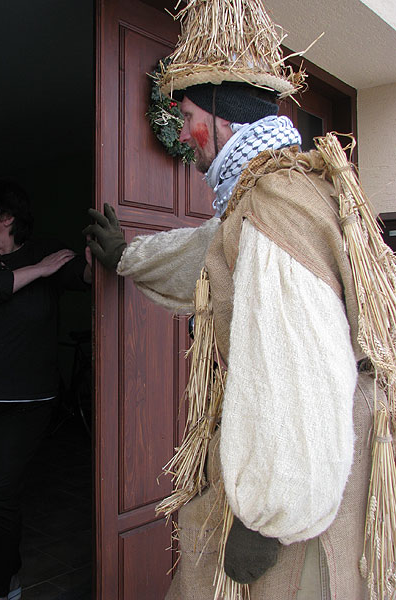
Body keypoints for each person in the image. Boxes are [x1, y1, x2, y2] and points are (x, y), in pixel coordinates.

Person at [85, 1, 390, 599]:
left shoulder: (273, 206)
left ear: (222, 118)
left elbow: (300, 374)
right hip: (319, 480)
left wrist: (270, 517)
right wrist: (126, 255)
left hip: (301, 506)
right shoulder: (277, 191)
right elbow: (210, 251)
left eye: (187, 116)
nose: (181, 134)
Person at [0, 178, 92, 600]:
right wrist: (38, 271)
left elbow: (79, 276)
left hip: (22, 404)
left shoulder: (46, 250)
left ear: (8, 217)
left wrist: (93, 264)